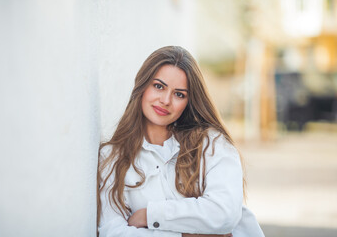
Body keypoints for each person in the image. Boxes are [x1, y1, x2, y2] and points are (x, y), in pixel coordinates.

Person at [97, 46, 265, 237]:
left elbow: (224, 213)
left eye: (179, 94)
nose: (166, 100)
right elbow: (113, 232)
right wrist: (190, 235)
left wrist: (149, 215)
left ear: (188, 101)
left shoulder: (211, 143)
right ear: (142, 86)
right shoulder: (112, 158)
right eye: (158, 86)